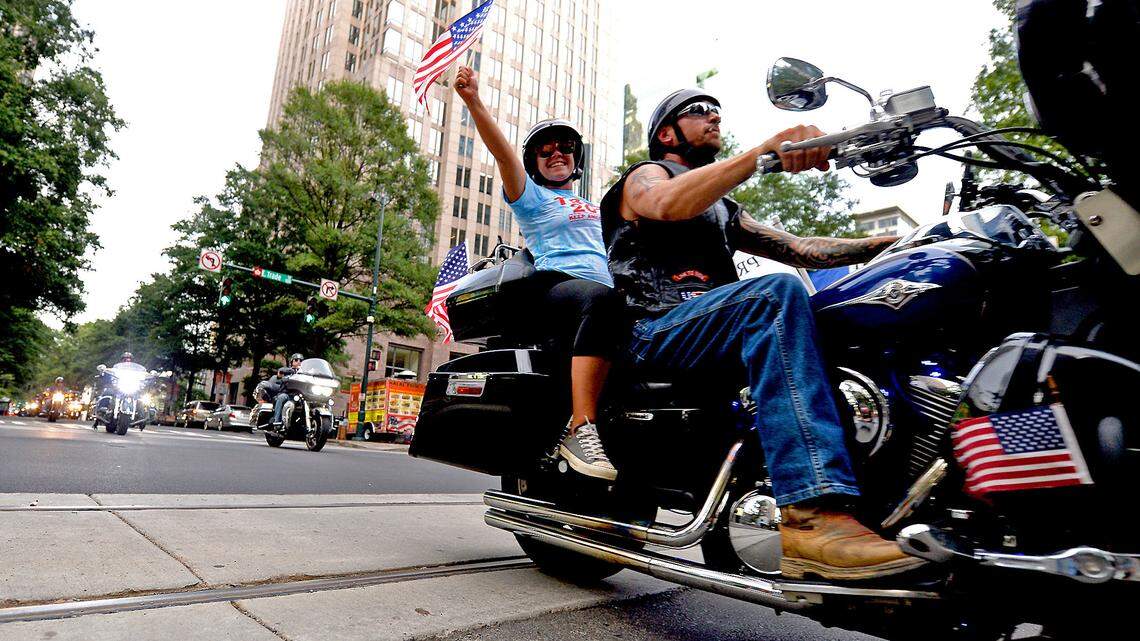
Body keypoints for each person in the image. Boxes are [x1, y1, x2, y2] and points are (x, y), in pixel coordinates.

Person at [600, 88, 923, 581]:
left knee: (838, 311)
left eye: (717, 111)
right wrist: (760, 153)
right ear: (666, 133)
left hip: (712, 328)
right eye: (699, 112)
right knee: (773, 295)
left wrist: (904, 242)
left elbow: (802, 248)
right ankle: (811, 515)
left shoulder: (722, 207)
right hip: (653, 325)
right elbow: (665, 204)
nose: (714, 117)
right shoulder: (647, 176)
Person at [453, 65, 623, 480]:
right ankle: (580, 429)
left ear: (576, 158)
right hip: (557, 289)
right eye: (545, 151)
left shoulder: (596, 206)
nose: (557, 154)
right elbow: (503, 155)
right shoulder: (531, 198)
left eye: (565, 147)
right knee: (602, 300)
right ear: (534, 162)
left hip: (606, 297)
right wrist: (474, 101)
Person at [266, 353, 305, 428]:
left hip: (301, 396)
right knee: (282, 397)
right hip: (288, 395)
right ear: (292, 362)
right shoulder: (288, 371)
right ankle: (276, 422)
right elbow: (280, 371)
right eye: (296, 360)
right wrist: (291, 371)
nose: (299, 362)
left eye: (301, 360)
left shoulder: (305, 373)